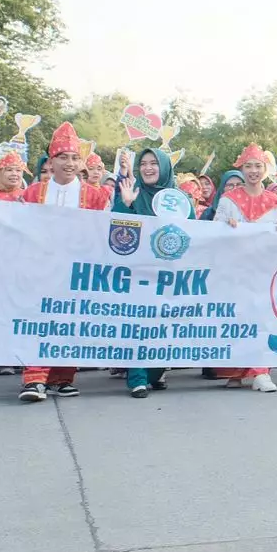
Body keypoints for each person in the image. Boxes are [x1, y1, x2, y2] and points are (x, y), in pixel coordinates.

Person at [18, 123, 111, 402]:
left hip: (76, 270)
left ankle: (61, 378)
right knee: (38, 320)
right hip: (39, 267)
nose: (69, 164)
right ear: (51, 161)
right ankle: (34, 378)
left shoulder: (96, 196)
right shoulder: (33, 192)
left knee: (69, 321)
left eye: (74, 158)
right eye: (63, 157)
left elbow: (103, 234)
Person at [110, 148, 193, 398]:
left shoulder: (181, 199)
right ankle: (137, 377)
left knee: (162, 328)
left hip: (170, 275)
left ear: (165, 167)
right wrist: (125, 204)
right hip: (138, 273)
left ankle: (153, 373)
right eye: (143, 163)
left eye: (154, 163)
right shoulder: (133, 194)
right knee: (139, 324)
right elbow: (117, 235)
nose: (148, 168)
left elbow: (195, 233)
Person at [207, 143, 277, 393]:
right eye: (248, 166)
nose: (253, 171)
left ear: (265, 169)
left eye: (258, 166)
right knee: (238, 318)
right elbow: (215, 232)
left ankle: (261, 372)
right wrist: (225, 226)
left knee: (262, 317)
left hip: (264, 270)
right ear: (241, 168)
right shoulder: (229, 200)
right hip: (236, 270)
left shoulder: (274, 201)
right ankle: (237, 370)